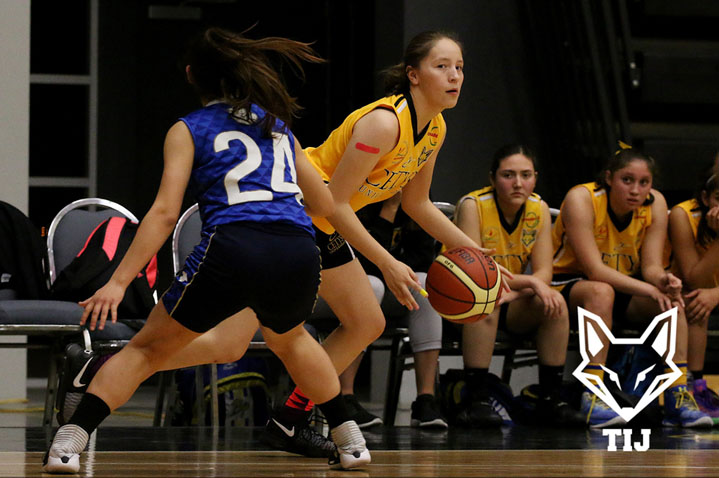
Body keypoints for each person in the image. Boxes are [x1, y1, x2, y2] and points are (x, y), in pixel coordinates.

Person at [43, 27, 371, 474]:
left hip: (234, 246)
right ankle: (351, 442)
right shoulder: (277, 127)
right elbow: (325, 204)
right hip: (297, 247)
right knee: (293, 340)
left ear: (191, 75)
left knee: (146, 350)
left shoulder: (188, 128)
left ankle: (68, 443)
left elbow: (164, 214)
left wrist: (118, 282)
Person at [552, 146, 712, 428]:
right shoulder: (582, 198)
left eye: (643, 182)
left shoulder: (655, 203)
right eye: (627, 180)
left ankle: (677, 396)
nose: (636, 190)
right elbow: (594, 270)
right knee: (601, 290)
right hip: (569, 285)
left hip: (622, 286)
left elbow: (650, 266)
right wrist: (648, 289)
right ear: (609, 178)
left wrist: (664, 281)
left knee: (671, 303)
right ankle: (593, 393)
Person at [453, 144, 583, 427]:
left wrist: (521, 290)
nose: (518, 183)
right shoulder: (473, 205)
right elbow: (476, 272)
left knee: (555, 304)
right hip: (460, 297)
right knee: (486, 301)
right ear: (492, 178)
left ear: (535, 178)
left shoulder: (539, 208)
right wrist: (529, 284)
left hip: (508, 297)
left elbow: (545, 272)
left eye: (526, 175)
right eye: (508, 175)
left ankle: (550, 399)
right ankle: (476, 399)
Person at [339, 190, 447, 429]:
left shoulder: (417, 200)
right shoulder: (359, 195)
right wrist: (389, 209)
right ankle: (345, 395)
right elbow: (361, 263)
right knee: (371, 285)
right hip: (349, 285)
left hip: (395, 290)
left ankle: (426, 399)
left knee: (424, 284)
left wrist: (398, 273)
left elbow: (422, 260)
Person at [668, 160, 719, 419]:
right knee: (696, 301)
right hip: (688, 288)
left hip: (714, 291)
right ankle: (694, 385)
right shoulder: (683, 215)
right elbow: (694, 278)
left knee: (704, 297)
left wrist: (716, 294)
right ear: (706, 197)